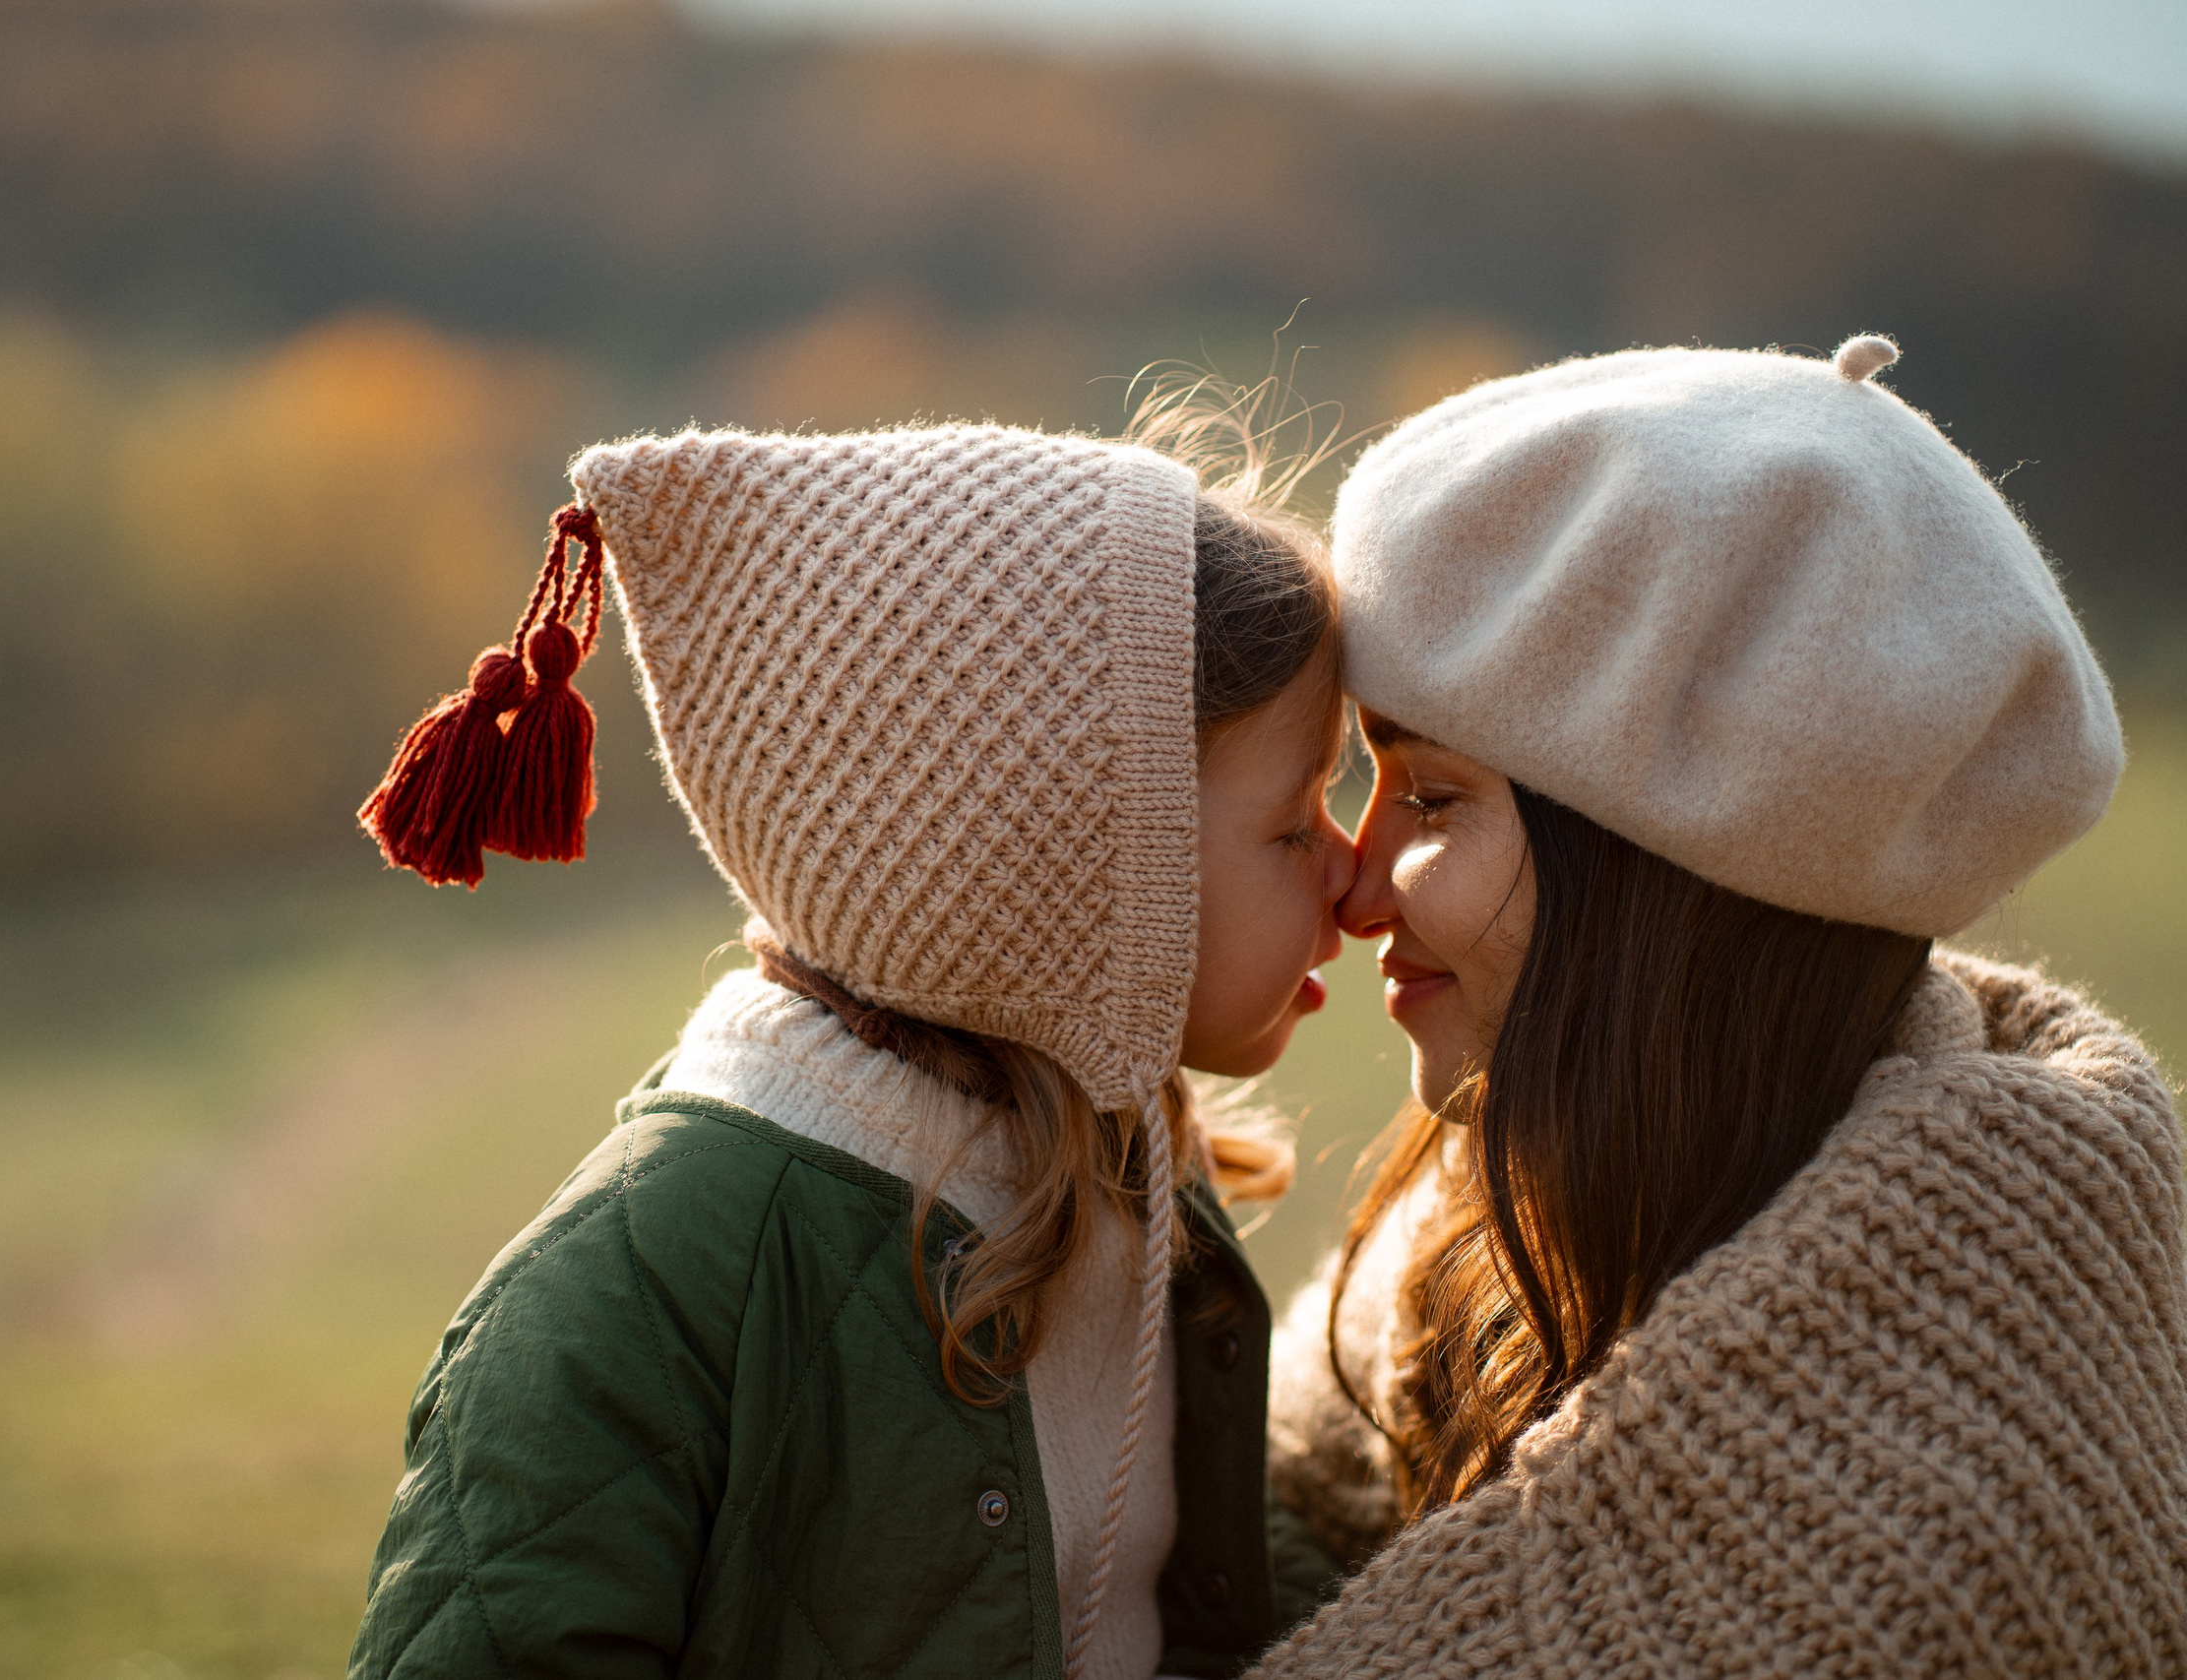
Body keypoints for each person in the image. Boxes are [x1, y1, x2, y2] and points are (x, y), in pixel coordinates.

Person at [344, 420, 1353, 1680]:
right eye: (1295, 822)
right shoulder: (645, 1281)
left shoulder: (1124, 1176)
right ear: (1057, 863)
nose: (1356, 876)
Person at [1255, 337, 2185, 1675]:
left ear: (1664, 877)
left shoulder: (1932, 1547)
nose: (1357, 886)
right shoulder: (1453, 1264)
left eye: (1434, 794)